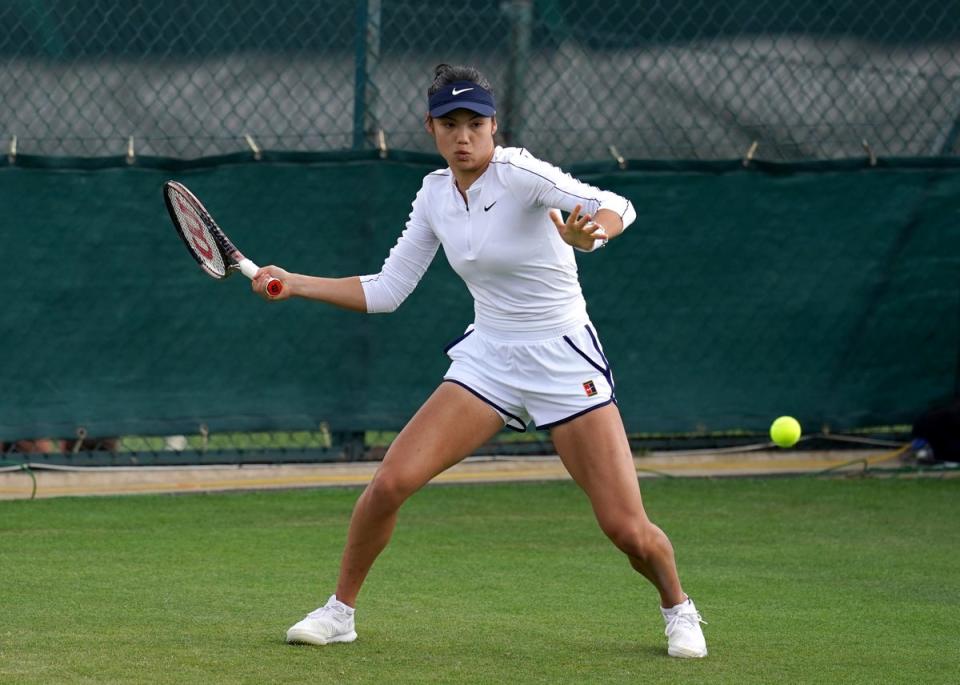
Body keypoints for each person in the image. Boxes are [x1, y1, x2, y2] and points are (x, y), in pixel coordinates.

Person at [252, 64, 708, 658]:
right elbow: (389, 289)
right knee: (390, 482)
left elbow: (614, 204)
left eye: (475, 124)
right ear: (431, 129)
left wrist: (589, 234)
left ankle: (678, 607)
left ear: (495, 127)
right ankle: (340, 612)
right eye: (450, 124)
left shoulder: (519, 172)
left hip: (562, 360)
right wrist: (295, 283)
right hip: (488, 358)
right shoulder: (434, 194)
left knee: (626, 528)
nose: (463, 136)